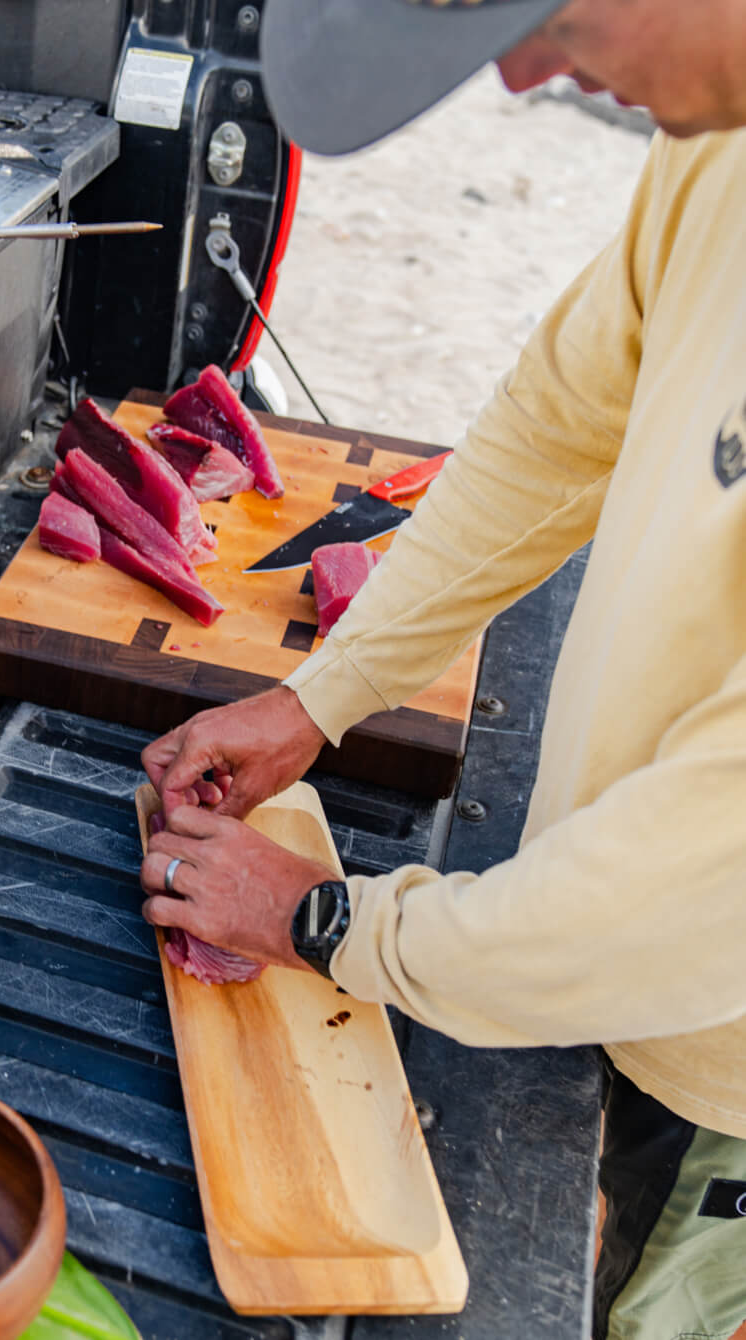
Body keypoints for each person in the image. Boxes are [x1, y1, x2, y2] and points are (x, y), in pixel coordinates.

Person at [138, 2, 746, 1337]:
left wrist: (331, 922)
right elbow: (560, 428)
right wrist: (322, 695)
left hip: (715, 1062)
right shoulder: (719, 145)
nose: (524, 75)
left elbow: (713, 887)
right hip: (581, 934)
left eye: (558, 10)